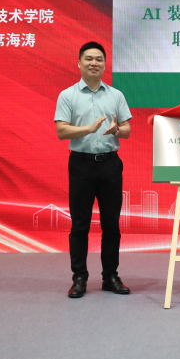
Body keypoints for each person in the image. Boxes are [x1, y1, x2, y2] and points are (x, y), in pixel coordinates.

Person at [54, 41, 132, 298]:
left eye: (99, 59)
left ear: (105, 64)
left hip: (110, 165)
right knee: (80, 225)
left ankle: (110, 276)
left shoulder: (116, 95)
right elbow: (61, 131)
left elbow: (127, 129)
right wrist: (89, 129)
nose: (94, 63)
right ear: (79, 63)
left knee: (111, 224)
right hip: (81, 165)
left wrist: (117, 130)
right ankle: (79, 278)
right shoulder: (68, 95)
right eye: (88, 58)